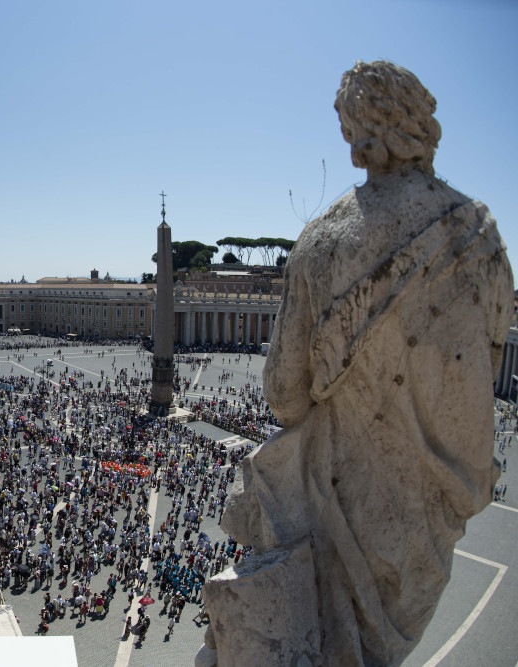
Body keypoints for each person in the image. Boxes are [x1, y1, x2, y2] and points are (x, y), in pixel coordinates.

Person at [205, 61, 513, 665]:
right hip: (430, 517)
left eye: (347, 130)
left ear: (360, 134)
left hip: (342, 501)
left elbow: (285, 396)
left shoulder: (324, 240)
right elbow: (490, 358)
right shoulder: (482, 236)